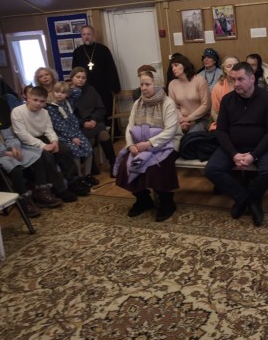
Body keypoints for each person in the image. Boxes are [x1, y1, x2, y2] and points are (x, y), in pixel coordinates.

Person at [205, 62, 268, 227]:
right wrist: (233, 154)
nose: (236, 83)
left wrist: (254, 155)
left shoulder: (267, 99)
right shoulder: (227, 100)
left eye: (240, 79)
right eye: (233, 80)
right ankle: (244, 199)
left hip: (261, 147)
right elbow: (221, 131)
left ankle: (253, 197)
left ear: (252, 78)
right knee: (211, 170)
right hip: (234, 146)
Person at [113, 70, 181, 222]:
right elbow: (130, 126)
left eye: (147, 84)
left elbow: (170, 131)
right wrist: (130, 145)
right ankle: (143, 199)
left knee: (155, 166)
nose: (143, 88)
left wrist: (149, 144)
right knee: (126, 165)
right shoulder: (138, 103)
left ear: (157, 85)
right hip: (140, 142)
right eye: (142, 84)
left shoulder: (167, 103)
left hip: (166, 142)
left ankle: (167, 202)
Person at [11, 86, 85, 202]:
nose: (38, 104)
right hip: (26, 142)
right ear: (28, 98)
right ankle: (60, 189)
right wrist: (43, 146)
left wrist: (54, 142)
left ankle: (73, 182)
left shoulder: (45, 112)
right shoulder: (17, 112)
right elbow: (23, 135)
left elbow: (49, 130)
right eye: (35, 100)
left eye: (42, 101)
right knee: (48, 157)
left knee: (65, 150)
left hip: (43, 138)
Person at [48, 80, 95, 192]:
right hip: (64, 136)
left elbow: (78, 91)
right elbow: (59, 126)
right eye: (57, 92)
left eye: (63, 93)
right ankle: (78, 177)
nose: (59, 95)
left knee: (88, 149)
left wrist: (70, 88)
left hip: (76, 132)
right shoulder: (51, 107)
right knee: (75, 151)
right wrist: (72, 137)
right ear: (53, 92)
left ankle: (87, 175)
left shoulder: (68, 102)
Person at [69, 66, 115, 173]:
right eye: (78, 77)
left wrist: (94, 119)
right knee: (88, 139)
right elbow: (69, 115)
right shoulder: (67, 93)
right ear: (72, 78)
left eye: (83, 78)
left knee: (104, 135)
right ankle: (92, 166)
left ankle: (113, 163)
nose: (81, 80)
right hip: (79, 126)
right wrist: (83, 123)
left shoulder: (91, 90)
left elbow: (101, 108)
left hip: (95, 122)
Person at [70, 25, 121, 118]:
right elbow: (75, 71)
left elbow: (111, 69)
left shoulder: (103, 49)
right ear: (81, 36)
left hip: (103, 87)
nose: (86, 37)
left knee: (107, 111)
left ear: (93, 35)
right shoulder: (77, 52)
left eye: (88, 34)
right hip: (85, 88)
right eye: (84, 34)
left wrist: (115, 87)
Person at [167, 53, 211, 134]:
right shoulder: (172, 84)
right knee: (171, 135)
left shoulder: (199, 80)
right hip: (181, 120)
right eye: (172, 67)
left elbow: (206, 105)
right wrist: (181, 119)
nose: (173, 69)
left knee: (190, 137)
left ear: (184, 65)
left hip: (200, 119)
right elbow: (173, 106)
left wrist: (188, 118)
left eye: (176, 65)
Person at [209, 56, 239, 130]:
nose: (232, 68)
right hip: (224, 124)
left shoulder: (246, 84)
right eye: (229, 66)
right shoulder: (218, 87)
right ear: (224, 70)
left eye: (235, 65)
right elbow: (214, 113)